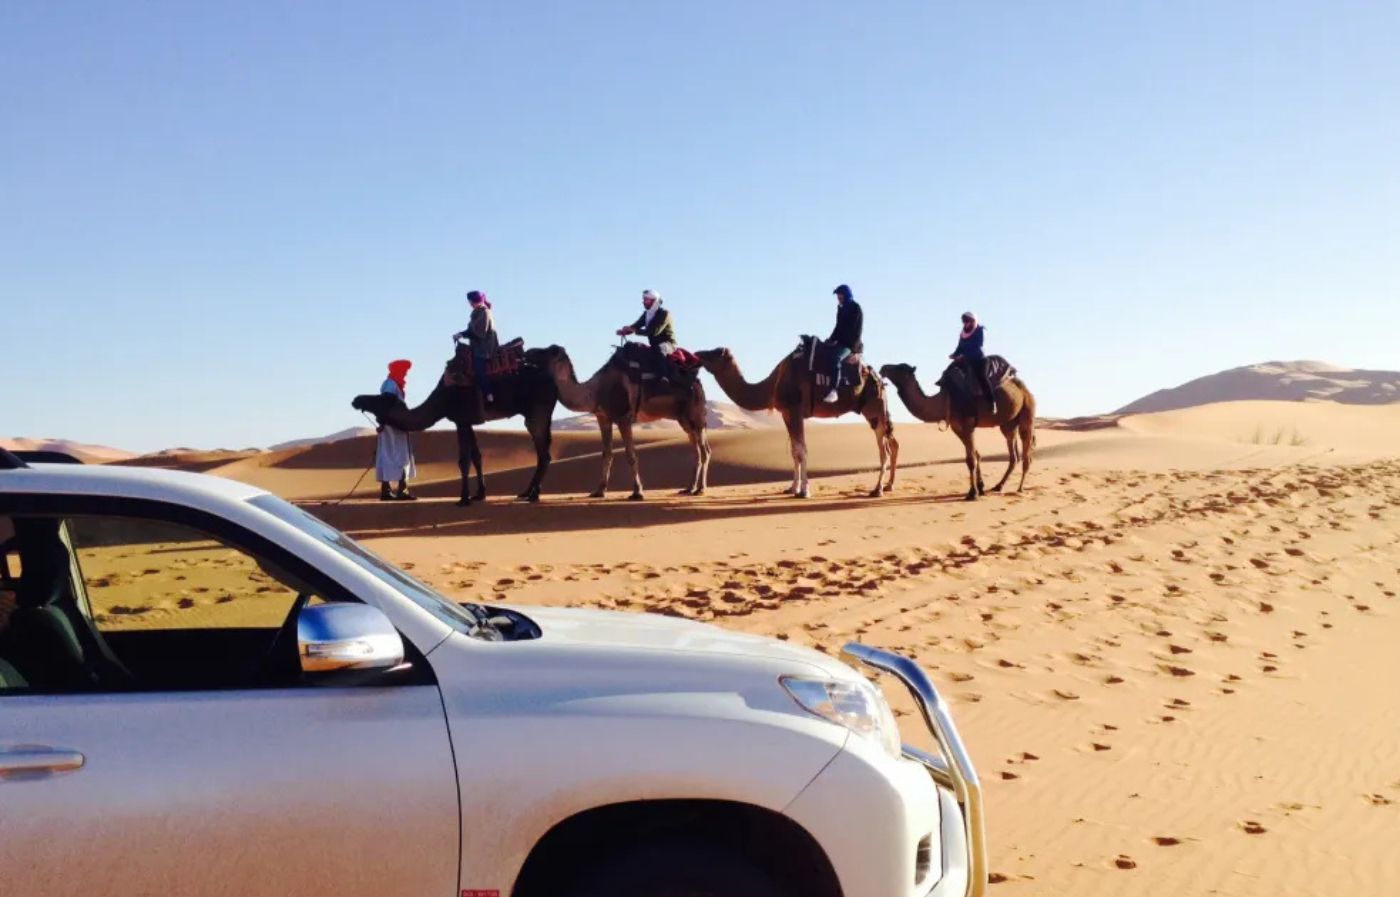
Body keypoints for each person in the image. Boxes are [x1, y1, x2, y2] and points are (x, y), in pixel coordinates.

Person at [376, 359, 418, 501]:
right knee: (394, 456)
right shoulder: (390, 384)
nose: (405, 374)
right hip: (392, 426)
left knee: (393, 455)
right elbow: (386, 402)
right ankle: (397, 491)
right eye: (404, 371)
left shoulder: (393, 384)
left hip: (396, 426)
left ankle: (391, 490)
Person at [454, 290, 499, 402]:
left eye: (470, 301)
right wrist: (461, 334)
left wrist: (463, 335)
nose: (470, 304)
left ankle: (489, 395)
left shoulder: (484, 312)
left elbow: (479, 332)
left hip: (484, 349)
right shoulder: (478, 312)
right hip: (478, 346)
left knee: (479, 372)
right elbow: (472, 330)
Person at [822, 284, 864, 402]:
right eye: (837, 295)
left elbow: (857, 331)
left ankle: (834, 390)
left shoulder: (856, 308)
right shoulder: (840, 309)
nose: (838, 297)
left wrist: (846, 345)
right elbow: (838, 327)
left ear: (846, 295)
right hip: (840, 343)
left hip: (851, 345)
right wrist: (831, 340)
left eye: (840, 295)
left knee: (835, 357)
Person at [950, 311, 997, 414]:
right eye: (964, 321)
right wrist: (955, 354)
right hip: (966, 360)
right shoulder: (963, 334)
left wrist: (963, 355)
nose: (966, 323)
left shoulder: (980, 330)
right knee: (951, 373)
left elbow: (978, 345)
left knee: (982, 378)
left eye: (967, 321)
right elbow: (960, 347)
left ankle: (992, 402)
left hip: (979, 360)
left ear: (972, 321)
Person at [617, 288, 677, 355]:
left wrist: (633, 330)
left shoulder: (664, 314)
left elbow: (653, 332)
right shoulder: (646, 314)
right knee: (631, 347)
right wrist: (625, 331)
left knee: (660, 349)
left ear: (654, 301)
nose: (643, 302)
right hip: (654, 345)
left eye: (646, 300)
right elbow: (636, 326)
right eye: (643, 299)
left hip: (669, 345)